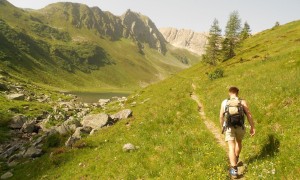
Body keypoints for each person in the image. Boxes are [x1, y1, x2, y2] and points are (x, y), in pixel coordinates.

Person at [219, 87, 255, 177]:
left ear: (229, 93)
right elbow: (249, 115)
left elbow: (221, 116)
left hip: (229, 127)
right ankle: (236, 158)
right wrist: (252, 127)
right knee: (239, 142)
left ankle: (234, 170)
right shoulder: (242, 102)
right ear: (237, 93)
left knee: (231, 147)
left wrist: (222, 126)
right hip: (240, 126)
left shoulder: (224, 102)